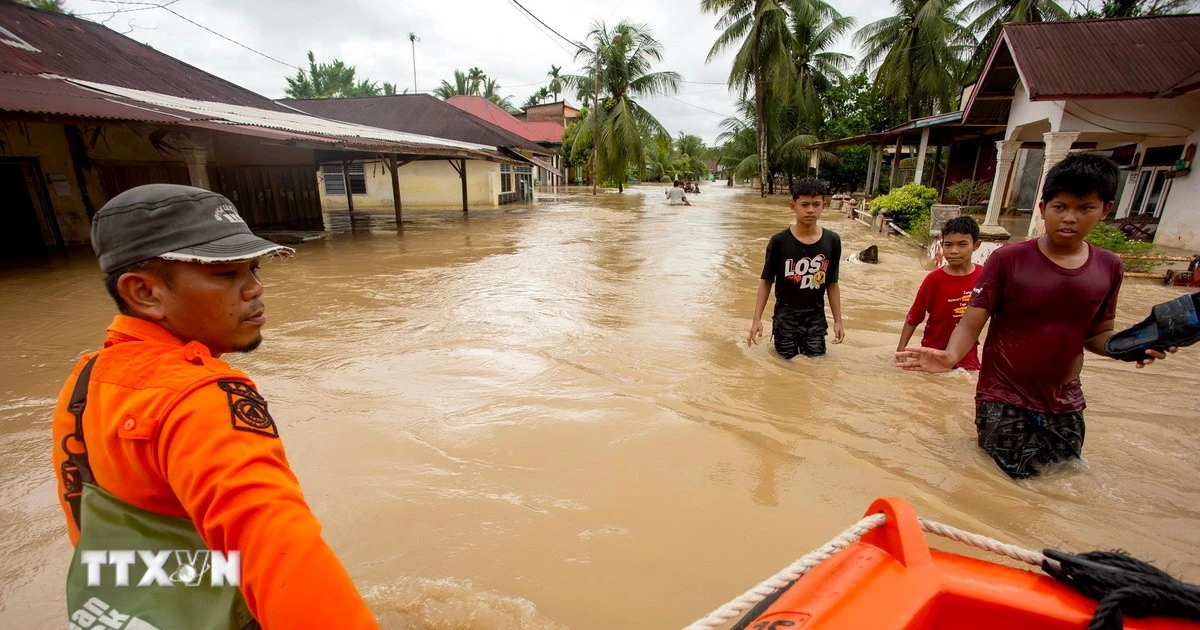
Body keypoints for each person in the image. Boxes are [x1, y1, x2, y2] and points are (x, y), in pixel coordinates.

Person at [51, 184, 381, 629]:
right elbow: (278, 550)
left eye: (254, 268)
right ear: (144, 292)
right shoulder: (201, 396)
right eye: (225, 274)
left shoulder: (87, 380)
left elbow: (88, 528)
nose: (255, 289)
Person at [895, 153, 1175, 479]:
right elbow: (971, 322)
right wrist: (950, 356)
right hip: (1002, 397)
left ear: (1106, 210)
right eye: (1060, 207)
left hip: (1066, 401)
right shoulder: (1007, 260)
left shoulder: (1109, 267)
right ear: (1043, 209)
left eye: (1084, 208)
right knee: (1001, 486)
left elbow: (1097, 334)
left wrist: (1128, 347)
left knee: (1062, 485)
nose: (1070, 218)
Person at [747, 177, 844, 358]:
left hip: (816, 317)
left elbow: (832, 282)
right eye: (804, 204)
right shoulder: (779, 241)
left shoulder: (832, 241)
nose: (810, 210)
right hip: (786, 317)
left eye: (816, 204)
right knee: (785, 366)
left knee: (815, 364)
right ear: (793, 207)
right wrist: (756, 319)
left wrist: (838, 321)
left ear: (824, 205)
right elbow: (767, 280)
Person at [897, 215, 984, 371]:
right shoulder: (934, 280)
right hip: (932, 354)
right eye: (948, 245)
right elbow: (914, 316)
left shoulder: (984, 276)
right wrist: (901, 350)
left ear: (976, 245)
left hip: (967, 357)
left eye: (962, 244)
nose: (954, 251)